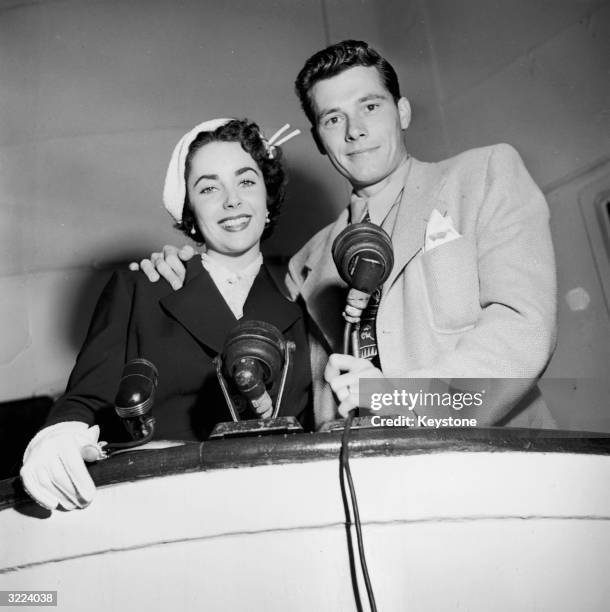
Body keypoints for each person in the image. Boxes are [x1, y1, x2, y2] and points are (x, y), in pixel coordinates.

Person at [138, 40, 557, 429]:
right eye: (333, 118)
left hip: (494, 462)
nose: (354, 130)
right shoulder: (305, 264)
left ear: (403, 112)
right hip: (364, 481)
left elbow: (524, 330)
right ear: (320, 140)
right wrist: (191, 267)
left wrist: (400, 400)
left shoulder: (482, 177)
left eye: (370, 107)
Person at [20, 118, 312, 511]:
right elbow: (85, 400)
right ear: (189, 208)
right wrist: (57, 436)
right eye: (209, 187)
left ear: (266, 193)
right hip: (168, 507)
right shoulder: (142, 287)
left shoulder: (303, 294)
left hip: (282, 505)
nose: (232, 201)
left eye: (246, 181)